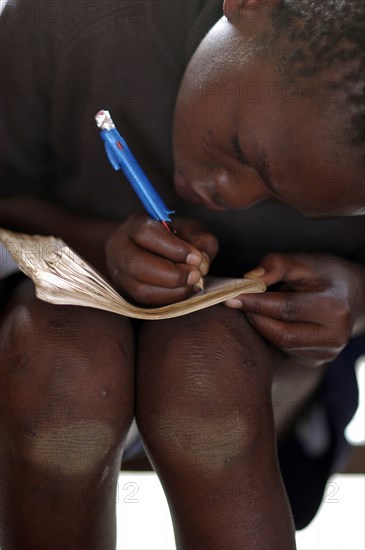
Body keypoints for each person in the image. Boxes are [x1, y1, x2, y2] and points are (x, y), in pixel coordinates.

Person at [0, 0, 364, 549]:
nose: (230, 198)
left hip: (261, 379)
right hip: (50, 341)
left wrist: (357, 300)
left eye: (287, 204)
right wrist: (104, 247)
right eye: (243, 152)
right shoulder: (67, 20)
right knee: (64, 376)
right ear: (248, 5)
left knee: (204, 372)